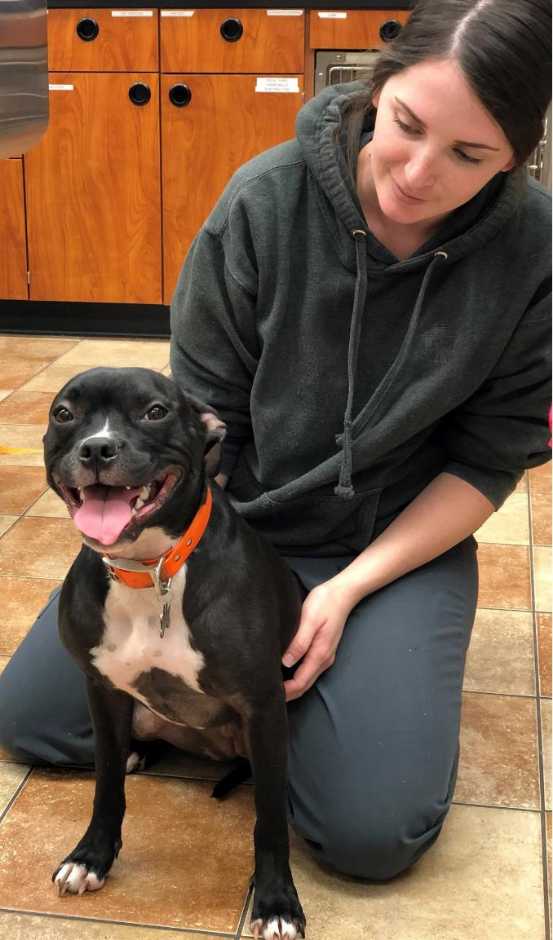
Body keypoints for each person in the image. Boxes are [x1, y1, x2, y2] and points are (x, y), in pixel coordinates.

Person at [0, 0, 551, 883]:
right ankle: (242, 700)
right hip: (233, 524)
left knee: (370, 832)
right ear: (378, 89)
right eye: (404, 125)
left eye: (469, 155)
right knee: (36, 723)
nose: (415, 172)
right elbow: (196, 426)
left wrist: (342, 594)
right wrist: (175, 578)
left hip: (388, 538)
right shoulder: (263, 201)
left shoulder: (534, 252)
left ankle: (288, 696)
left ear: (516, 155)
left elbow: (488, 460)